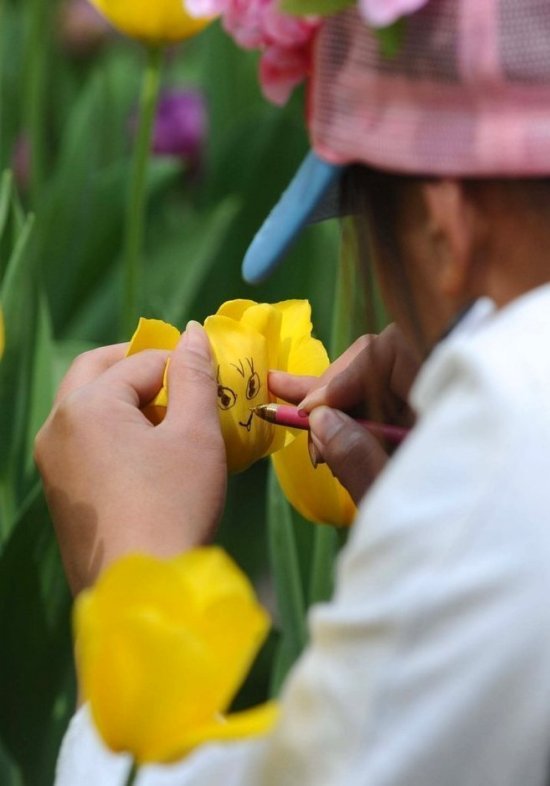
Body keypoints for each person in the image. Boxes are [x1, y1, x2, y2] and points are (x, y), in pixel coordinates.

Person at [37, 1, 550, 783]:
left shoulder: (511, 424)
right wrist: (433, 543)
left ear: (447, 224)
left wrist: (132, 579)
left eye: (369, 240)